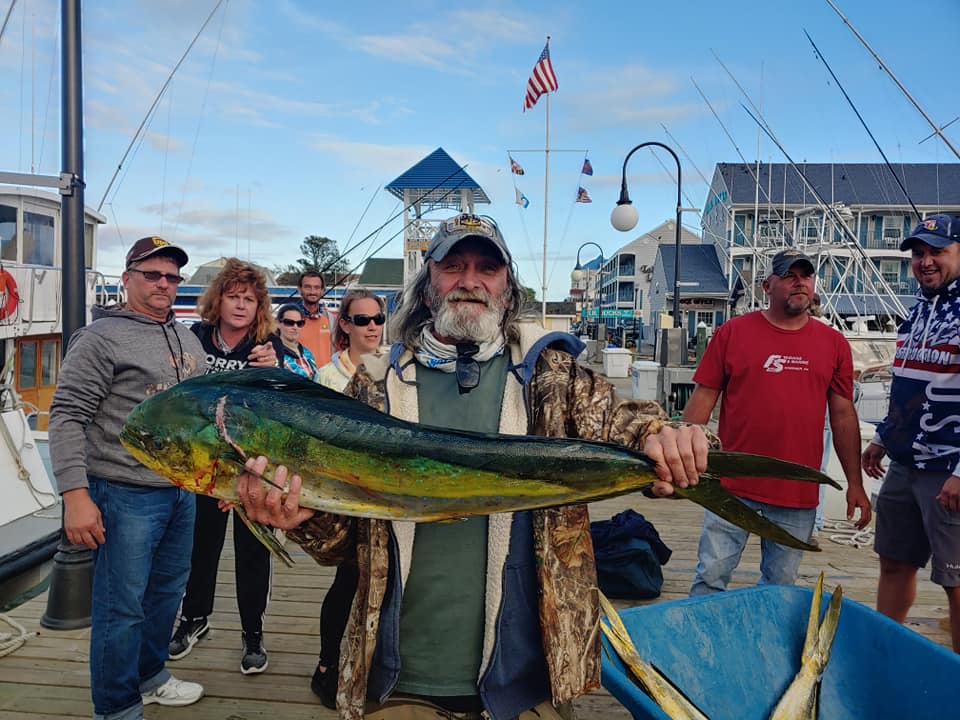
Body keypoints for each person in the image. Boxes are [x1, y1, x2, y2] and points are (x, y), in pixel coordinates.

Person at [234, 212, 709, 719]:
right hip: (399, 681)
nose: (469, 280)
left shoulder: (552, 377)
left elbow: (626, 424)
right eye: (452, 265)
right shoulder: (373, 388)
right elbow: (347, 542)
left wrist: (671, 439)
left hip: (525, 685)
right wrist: (303, 520)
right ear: (428, 285)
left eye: (487, 267)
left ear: (508, 286)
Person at [49, 236, 205, 720]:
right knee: (121, 608)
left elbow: (202, 419)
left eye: (172, 276)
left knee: (166, 595)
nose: (164, 284)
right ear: (128, 278)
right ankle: (116, 707)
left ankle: (150, 675)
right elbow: (68, 415)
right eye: (153, 274)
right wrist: (76, 495)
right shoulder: (100, 338)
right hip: (122, 494)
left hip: (182, 493)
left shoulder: (186, 337)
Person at [684, 248, 872, 597]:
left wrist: (855, 484)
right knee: (710, 577)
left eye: (805, 276)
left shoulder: (834, 344)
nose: (799, 282)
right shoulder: (731, 333)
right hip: (731, 486)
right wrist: (681, 464)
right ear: (767, 286)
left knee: (779, 589)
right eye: (789, 275)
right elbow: (701, 404)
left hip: (796, 490)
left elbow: (844, 415)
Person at [168, 258, 283, 674]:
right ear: (219, 300)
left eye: (249, 299)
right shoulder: (195, 338)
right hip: (206, 467)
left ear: (259, 307)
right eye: (233, 296)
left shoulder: (267, 345)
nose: (240, 305)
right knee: (201, 547)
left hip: (252, 470)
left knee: (254, 552)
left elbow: (281, 406)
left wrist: (272, 370)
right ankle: (195, 618)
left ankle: (253, 634)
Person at [862, 214, 960, 653]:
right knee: (895, 562)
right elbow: (908, 383)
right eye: (919, 253)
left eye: (937, 251)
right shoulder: (920, 308)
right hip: (905, 460)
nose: (925, 261)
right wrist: (883, 436)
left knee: (956, 580)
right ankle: (889, 654)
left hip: (948, 469)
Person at [311, 288, 386, 708]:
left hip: (384, 493)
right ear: (345, 325)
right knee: (347, 582)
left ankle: (375, 665)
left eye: (377, 318)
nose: (372, 327)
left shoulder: (395, 369)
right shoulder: (328, 377)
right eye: (362, 320)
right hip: (344, 496)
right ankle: (326, 665)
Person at [295, 270, 337, 366]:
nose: (312, 292)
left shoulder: (332, 319)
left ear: (322, 290)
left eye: (317, 287)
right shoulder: (289, 321)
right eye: (307, 287)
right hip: (301, 377)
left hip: (326, 378)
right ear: (299, 289)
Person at [276, 303, 320, 379]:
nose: (295, 327)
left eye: (299, 323)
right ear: (278, 323)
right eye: (289, 322)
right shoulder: (272, 354)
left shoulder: (308, 353)